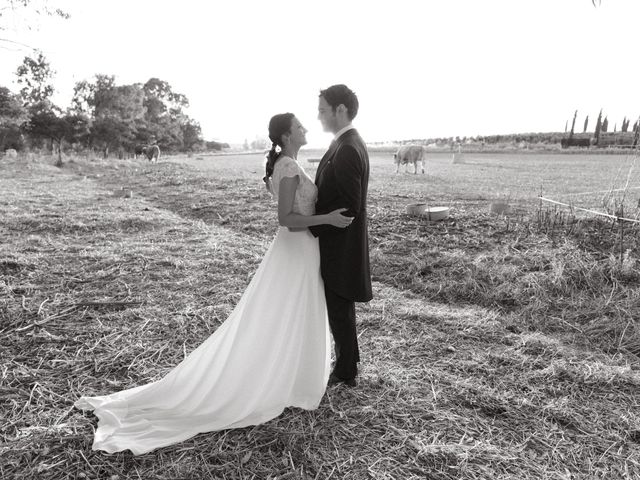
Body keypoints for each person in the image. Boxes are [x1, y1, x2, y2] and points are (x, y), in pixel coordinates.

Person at [74, 113, 352, 455]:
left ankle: (290, 376)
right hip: (296, 248)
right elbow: (286, 219)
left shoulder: (285, 162)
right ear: (286, 134)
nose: (305, 129)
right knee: (285, 312)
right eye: (299, 127)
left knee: (291, 314)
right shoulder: (289, 167)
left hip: (301, 250)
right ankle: (280, 379)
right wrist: (329, 218)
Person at [309, 84, 373, 388]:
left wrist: (313, 224)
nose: (318, 116)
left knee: (340, 309)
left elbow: (351, 206)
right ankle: (348, 365)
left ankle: (346, 371)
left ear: (340, 110)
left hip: (340, 246)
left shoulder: (348, 147)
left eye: (323, 109)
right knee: (339, 310)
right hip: (337, 243)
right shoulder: (343, 142)